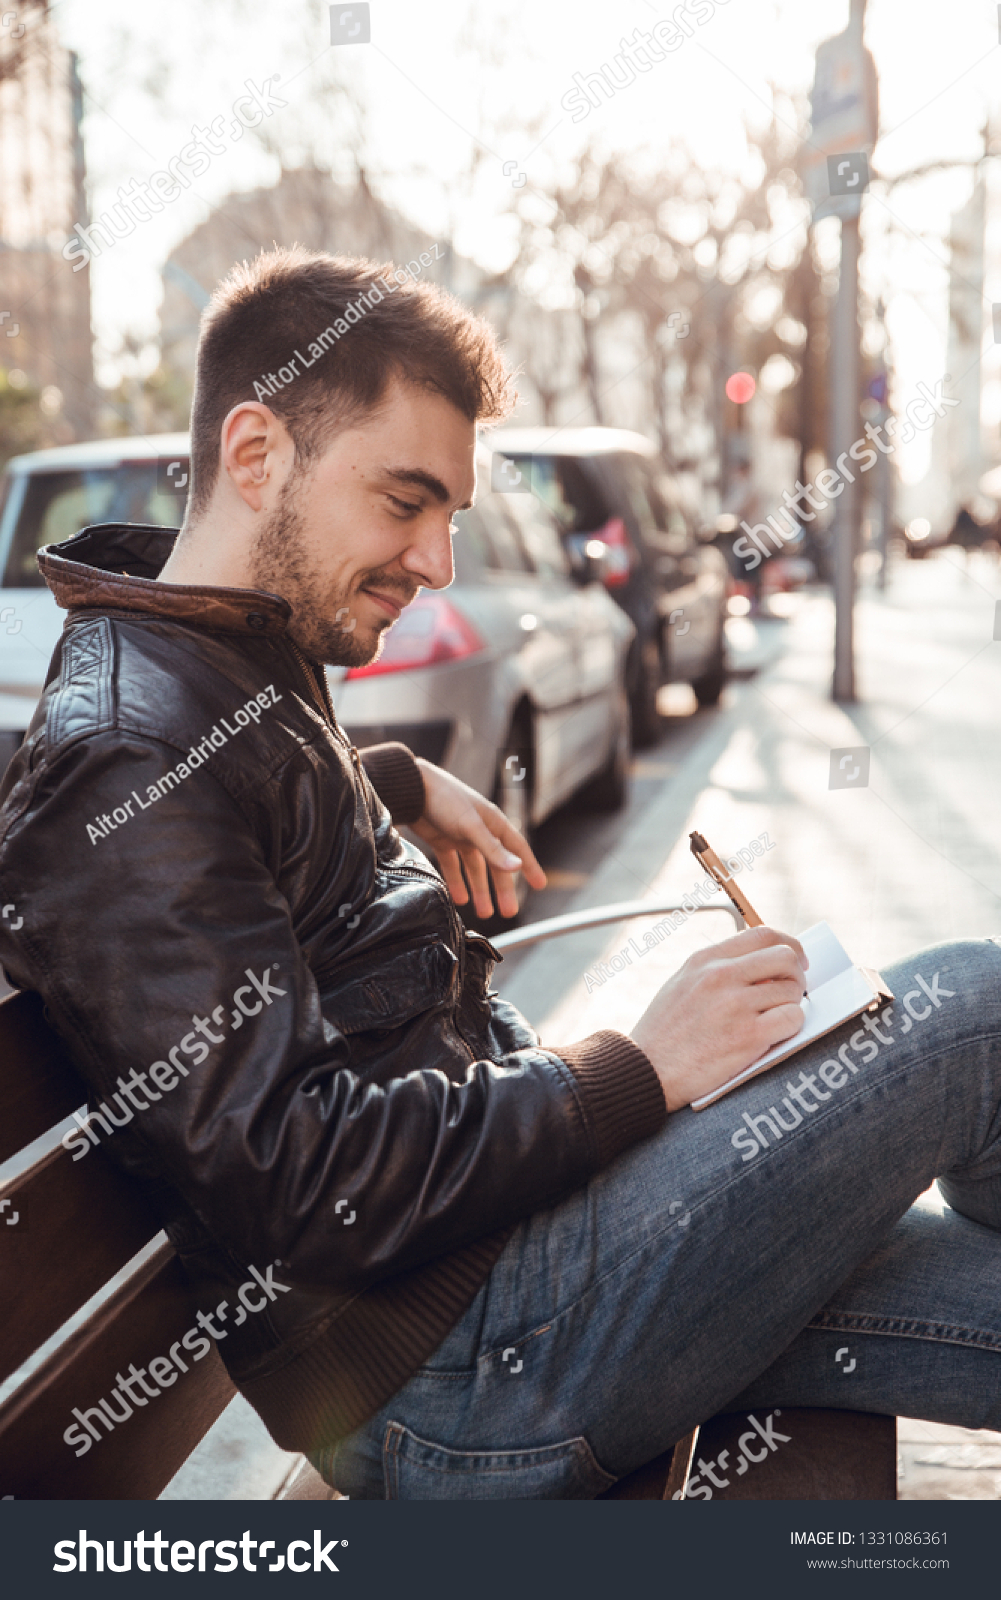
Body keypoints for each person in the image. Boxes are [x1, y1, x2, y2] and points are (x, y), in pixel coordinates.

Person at [1, 247, 999, 1501]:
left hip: (503, 1282)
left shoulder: (216, 655)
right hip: (463, 1371)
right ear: (256, 456)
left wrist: (399, 786)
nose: (437, 563)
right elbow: (297, 1180)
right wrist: (637, 1070)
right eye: (405, 501)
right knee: (972, 1010)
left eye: (452, 516)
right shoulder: (128, 751)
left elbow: (225, 839)